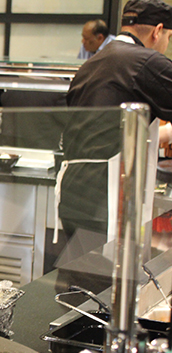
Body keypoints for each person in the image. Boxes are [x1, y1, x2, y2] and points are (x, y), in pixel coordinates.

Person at [58, 0, 172, 253]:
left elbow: (107, 128)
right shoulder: (146, 62)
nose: (165, 45)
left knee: (81, 277)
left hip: (73, 192)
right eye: (168, 37)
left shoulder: (93, 63)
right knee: (106, 280)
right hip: (106, 197)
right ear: (158, 30)